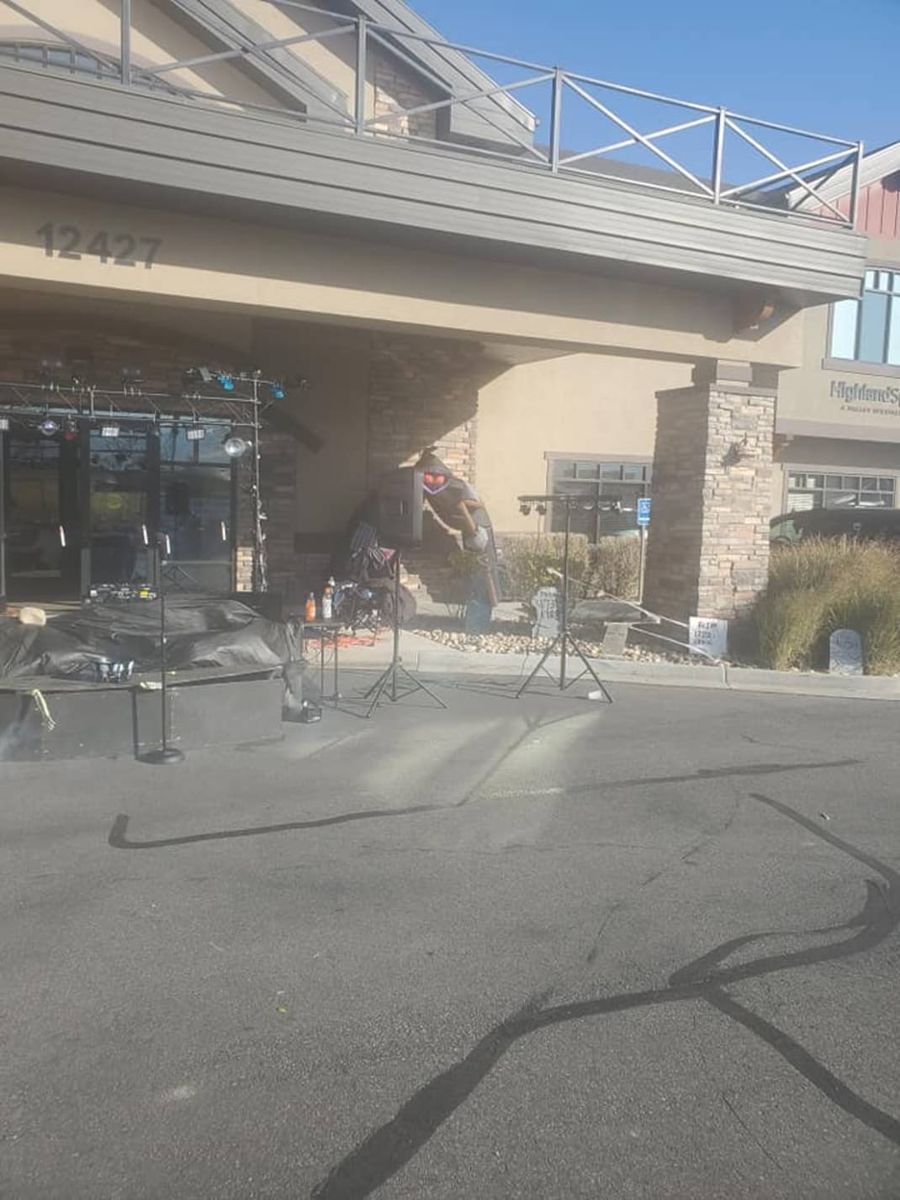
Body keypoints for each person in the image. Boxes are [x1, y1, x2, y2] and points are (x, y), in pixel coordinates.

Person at [415, 448, 499, 632]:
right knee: (476, 577)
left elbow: (477, 505)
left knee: (484, 577)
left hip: (477, 530)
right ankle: (475, 624)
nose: (431, 480)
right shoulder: (429, 488)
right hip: (469, 532)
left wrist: (463, 509)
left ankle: (478, 625)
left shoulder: (457, 487)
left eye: (434, 476)